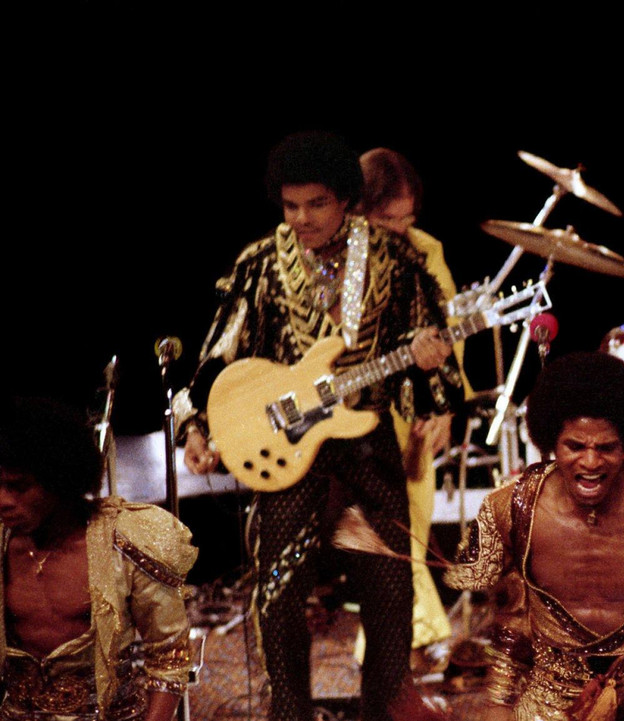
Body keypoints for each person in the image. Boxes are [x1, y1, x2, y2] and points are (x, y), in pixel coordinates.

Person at [175, 131, 462, 721]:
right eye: (291, 205)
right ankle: (289, 710)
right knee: (279, 592)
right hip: (288, 451)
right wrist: (195, 425)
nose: (302, 218)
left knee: (390, 591)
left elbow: (432, 365)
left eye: (317, 204)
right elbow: (217, 357)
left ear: (347, 200)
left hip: (367, 444)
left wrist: (432, 382)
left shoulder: (395, 261)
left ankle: (383, 708)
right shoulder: (262, 264)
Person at [444, 352, 624, 721]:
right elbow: (511, 619)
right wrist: (498, 702)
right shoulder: (511, 510)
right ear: (552, 443)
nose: (591, 462)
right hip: (550, 700)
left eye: (606, 448)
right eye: (575, 447)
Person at [0, 396, 197, 721]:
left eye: (18, 487)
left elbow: (169, 655)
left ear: (58, 479)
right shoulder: (3, 543)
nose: (3, 501)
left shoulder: (126, 541)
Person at [356, 146, 471, 674]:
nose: (401, 231)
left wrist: (444, 407)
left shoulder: (427, 250)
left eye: (408, 219)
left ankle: (386, 654)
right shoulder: (337, 260)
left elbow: (450, 335)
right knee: (387, 532)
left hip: (415, 413)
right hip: (354, 416)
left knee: (409, 533)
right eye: (388, 220)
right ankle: (416, 645)